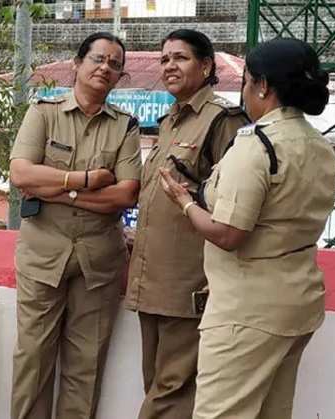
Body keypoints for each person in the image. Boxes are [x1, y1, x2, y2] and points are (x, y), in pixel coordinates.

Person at [159, 38, 335, 419]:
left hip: (247, 312)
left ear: (263, 87)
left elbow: (228, 234)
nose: (243, 92)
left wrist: (184, 201)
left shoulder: (258, 146)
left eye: (245, 82)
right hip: (297, 304)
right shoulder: (320, 146)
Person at [9, 31, 141, 419]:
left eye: (114, 65)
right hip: (42, 257)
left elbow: (126, 194)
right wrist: (80, 182)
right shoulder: (44, 113)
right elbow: (21, 173)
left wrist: (56, 191)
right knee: (33, 361)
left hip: (98, 262)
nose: (105, 68)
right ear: (77, 64)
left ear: (119, 78)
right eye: (98, 59)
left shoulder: (125, 127)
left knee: (85, 368)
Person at [124, 29, 249, 419]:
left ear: (207, 65)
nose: (169, 66)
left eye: (180, 58)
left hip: (189, 282)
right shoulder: (169, 121)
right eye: (164, 59)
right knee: (158, 383)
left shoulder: (223, 121)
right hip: (151, 279)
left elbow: (231, 204)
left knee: (171, 391)